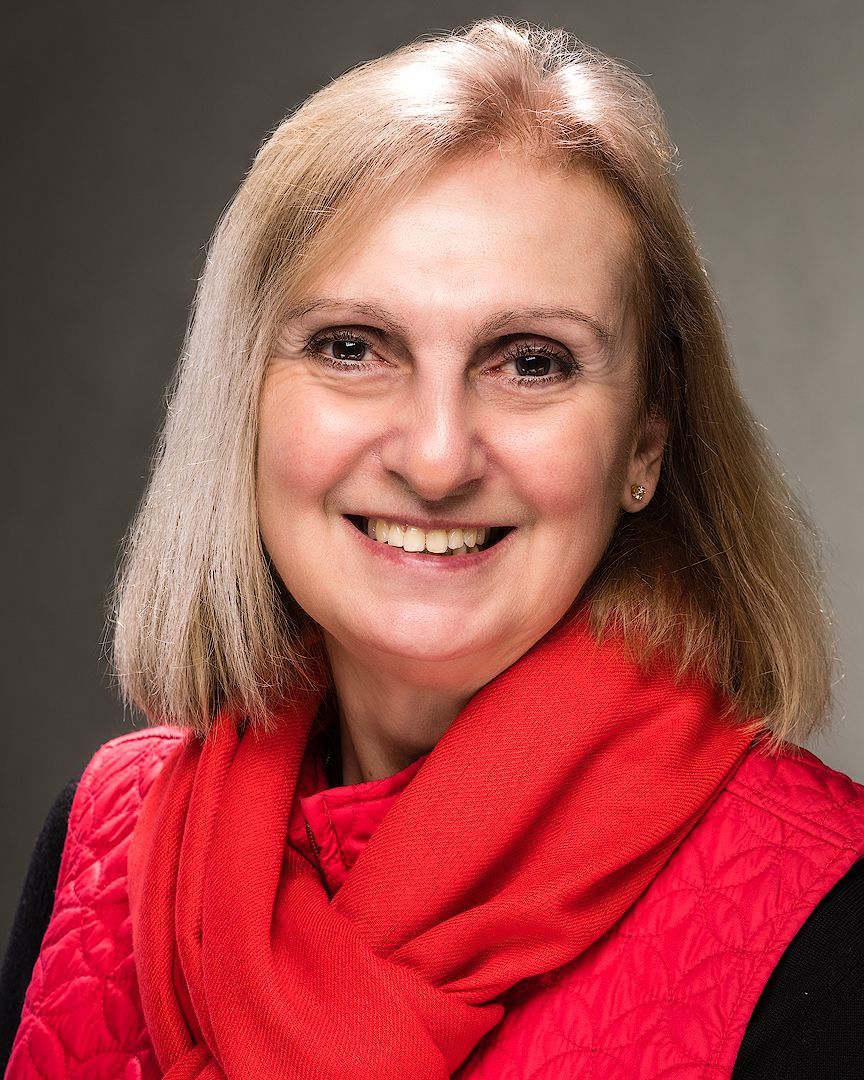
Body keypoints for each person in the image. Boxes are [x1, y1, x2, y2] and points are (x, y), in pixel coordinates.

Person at [3, 18, 863, 1080]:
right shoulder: (106, 842)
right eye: (352, 347)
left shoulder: (828, 915)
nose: (438, 455)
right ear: (247, 407)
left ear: (646, 444)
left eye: (531, 362)